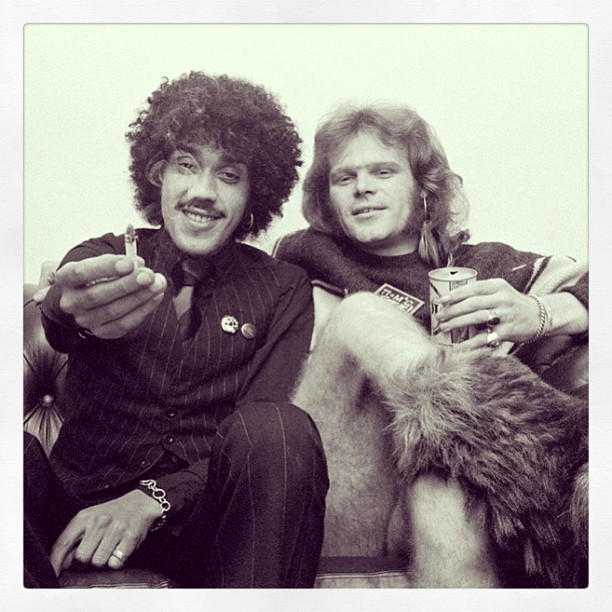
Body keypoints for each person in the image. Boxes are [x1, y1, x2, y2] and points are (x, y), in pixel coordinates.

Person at [24, 71, 329, 588]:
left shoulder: (283, 287)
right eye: (186, 165)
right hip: (73, 509)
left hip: (202, 527)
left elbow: (265, 422)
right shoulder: (105, 256)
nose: (203, 192)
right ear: (158, 173)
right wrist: (65, 310)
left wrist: (154, 498)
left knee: (280, 427)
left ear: (254, 193)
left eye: (229, 175)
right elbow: (65, 310)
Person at [274, 103, 588, 588]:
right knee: (360, 313)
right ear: (328, 197)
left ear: (424, 186)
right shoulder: (301, 258)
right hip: (334, 492)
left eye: (383, 171)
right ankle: (509, 438)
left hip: (444, 493)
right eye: (344, 177)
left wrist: (538, 312)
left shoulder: (489, 266)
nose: (362, 187)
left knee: (443, 488)